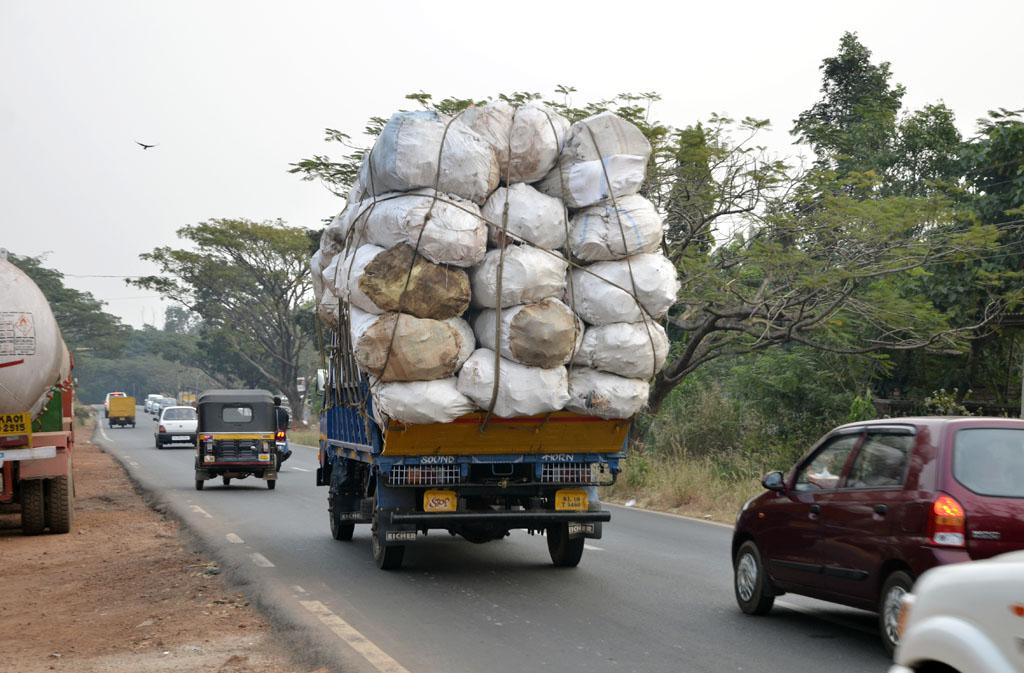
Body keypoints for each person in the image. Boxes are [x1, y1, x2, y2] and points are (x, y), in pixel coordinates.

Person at [273, 396, 292, 464]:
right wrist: (285, 428)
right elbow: (286, 421)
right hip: (281, 432)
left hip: (272, 432)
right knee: (285, 442)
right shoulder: (284, 411)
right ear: (280, 403)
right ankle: (285, 452)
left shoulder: (269, 411)